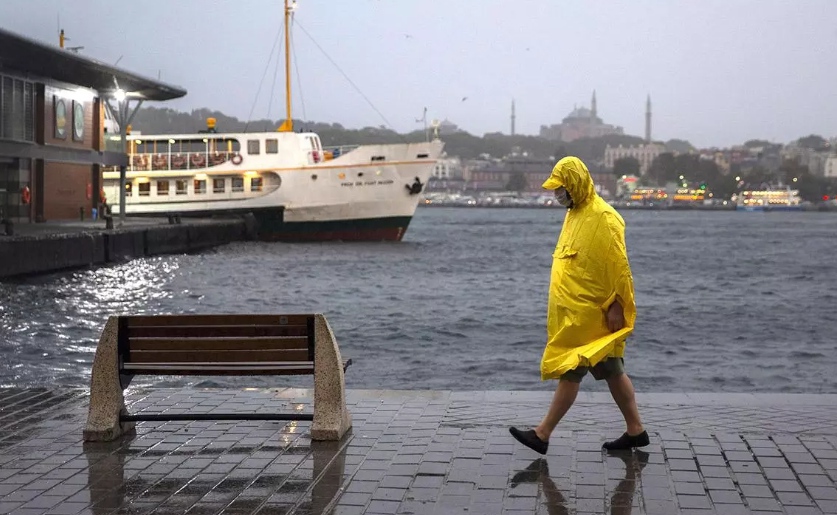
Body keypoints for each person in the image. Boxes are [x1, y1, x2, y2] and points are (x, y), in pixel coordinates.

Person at [509, 156, 649, 455]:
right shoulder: (575, 213)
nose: (557, 194)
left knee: (571, 370)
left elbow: (619, 267)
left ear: (574, 184)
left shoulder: (604, 217)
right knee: (613, 370)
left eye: (561, 187)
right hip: (575, 314)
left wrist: (618, 304)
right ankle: (636, 430)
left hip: (592, 315)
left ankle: (542, 434)